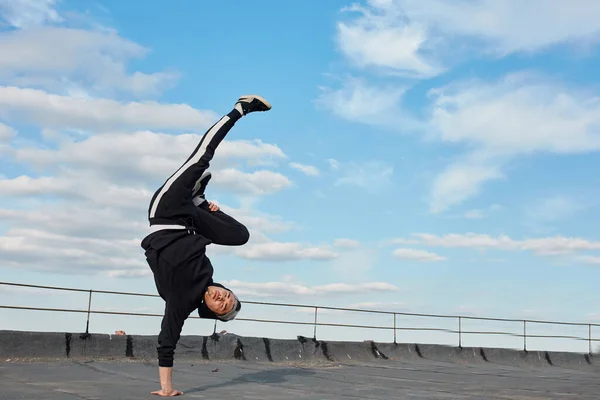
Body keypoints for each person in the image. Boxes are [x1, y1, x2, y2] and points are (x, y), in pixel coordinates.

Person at [141, 95, 272, 396]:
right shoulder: (208, 273)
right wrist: (208, 212)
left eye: (221, 304)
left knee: (201, 158)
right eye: (226, 295)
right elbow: (220, 237)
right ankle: (201, 200)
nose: (221, 297)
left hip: (166, 211)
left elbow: (167, 340)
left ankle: (241, 109)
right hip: (189, 219)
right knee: (241, 235)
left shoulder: (182, 300)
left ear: (211, 311)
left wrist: (166, 389)